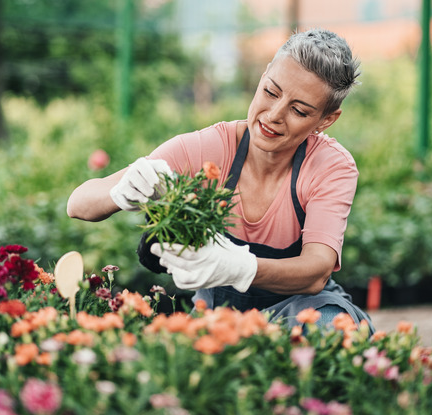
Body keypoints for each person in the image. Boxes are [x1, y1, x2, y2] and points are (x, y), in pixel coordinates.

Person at [67, 28, 374, 332]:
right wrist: (121, 191)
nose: (274, 115)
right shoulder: (209, 149)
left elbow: (316, 272)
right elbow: (78, 204)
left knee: (327, 330)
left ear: (326, 119)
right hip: (218, 316)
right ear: (264, 75)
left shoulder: (330, 166)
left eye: (299, 110)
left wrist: (243, 268)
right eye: (270, 91)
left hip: (303, 314)